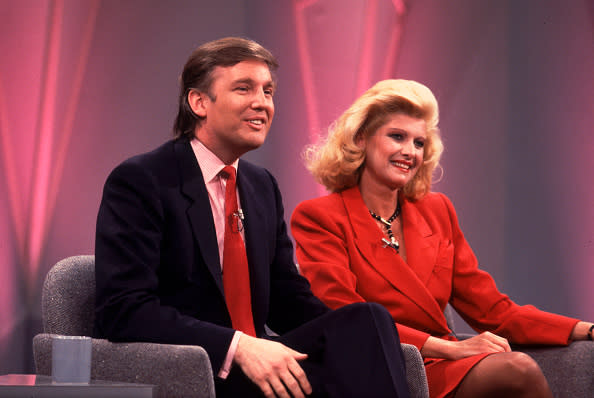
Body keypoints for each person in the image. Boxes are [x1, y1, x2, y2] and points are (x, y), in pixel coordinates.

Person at [94, 37, 412, 398]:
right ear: (199, 102)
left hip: (261, 369)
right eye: (244, 89)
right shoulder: (143, 180)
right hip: (199, 370)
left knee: (366, 322)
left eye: (268, 91)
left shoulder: (261, 186)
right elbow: (123, 310)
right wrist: (239, 346)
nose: (262, 103)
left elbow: (287, 301)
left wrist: (349, 340)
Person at [290, 79, 594, 398]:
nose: (409, 152)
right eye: (397, 137)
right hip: (387, 366)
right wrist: (448, 349)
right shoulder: (320, 216)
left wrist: (585, 329)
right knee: (516, 369)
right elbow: (347, 315)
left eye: (419, 143)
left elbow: (493, 310)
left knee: (514, 367)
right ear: (362, 139)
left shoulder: (437, 210)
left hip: (444, 360)